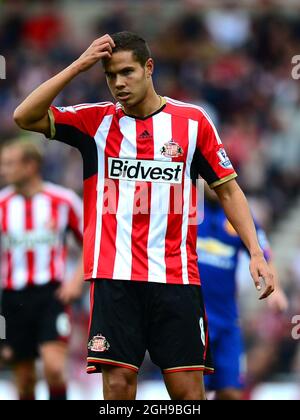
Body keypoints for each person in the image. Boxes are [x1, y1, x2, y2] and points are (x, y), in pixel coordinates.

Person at [13, 31, 274, 400]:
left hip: (176, 278)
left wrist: (256, 253)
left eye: (127, 72)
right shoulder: (94, 122)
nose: (118, 83)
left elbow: (228, 189)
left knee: (188, 394)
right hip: (114, 279)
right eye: (109, 75)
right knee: (118, 388)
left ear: (148, 67)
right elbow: (24, 116)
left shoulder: (192, 122)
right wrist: (78, 65)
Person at [0, 138, 83, 400]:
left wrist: (76, 282)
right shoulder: (1, 205)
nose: (3, 170)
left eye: (9, 163)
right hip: (12, 298)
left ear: (31, 165)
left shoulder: (63, 200)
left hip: (52, 296)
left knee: (55, 369)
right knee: (24, 381)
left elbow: (92, 244)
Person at [197, 186, 288, 400]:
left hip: (227, 321)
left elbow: (263, 252)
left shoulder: (239, 216)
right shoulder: (186, 210)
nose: (211, 182)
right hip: (193, 320)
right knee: (194, 391)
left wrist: (277, 290)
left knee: (231, 393)